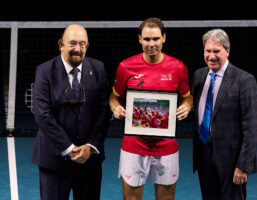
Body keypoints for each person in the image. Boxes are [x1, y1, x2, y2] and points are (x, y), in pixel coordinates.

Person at [109, 18, 193, 200]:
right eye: (147, 39)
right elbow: (114, 97)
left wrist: (186, 107)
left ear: (164, 38)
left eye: (156, 39)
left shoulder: (178, 68)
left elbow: (187, 97)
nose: (151, 44)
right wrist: (116, 107)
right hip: (133, 145)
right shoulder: (125, 67)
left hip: (166, 147)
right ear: (139, 39)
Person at [32, 24, 110, 200]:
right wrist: (69, 148)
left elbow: (104, 112)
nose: (78, 49)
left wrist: (90, 146)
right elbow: (43, 114)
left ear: (87, 45)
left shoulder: (98, 69)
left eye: (82, 44)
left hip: (89, 161)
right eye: (72, 43)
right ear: (61, 44)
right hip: (54, 160)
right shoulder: (44, 71)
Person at [192, 28, 257, 200]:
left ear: (227, 51)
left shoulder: (244, 80)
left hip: (232, 159)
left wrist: (243, 165)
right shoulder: (199, 76)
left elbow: (251, 127)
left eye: (217, 51)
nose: (211, 56)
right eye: (208, 51)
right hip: (204, 155)